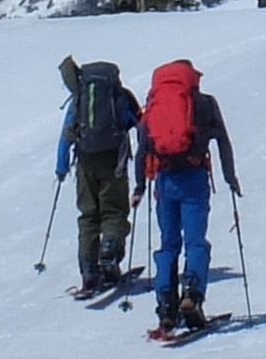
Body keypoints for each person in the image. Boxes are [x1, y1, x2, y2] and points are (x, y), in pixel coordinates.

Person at [134, 58, 241, 336]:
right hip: (194, 179)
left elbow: (142, 149)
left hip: (164, 181)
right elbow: (223, 141)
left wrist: (139, 187)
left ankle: (166, 308)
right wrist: (230, 178)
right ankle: (192, 296)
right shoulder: (205, 103)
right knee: (195, 242)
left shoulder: (154, 106)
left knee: (168, 244)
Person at [56, 56, 140, 294]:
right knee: (114, 210)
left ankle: (88, 272)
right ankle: (110, 250)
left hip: (85, 161)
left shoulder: (79, 99)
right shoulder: (121, 96)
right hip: (114, 161)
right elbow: (140, 123)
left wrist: (61, 168)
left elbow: (65, 136)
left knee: (89, 215)